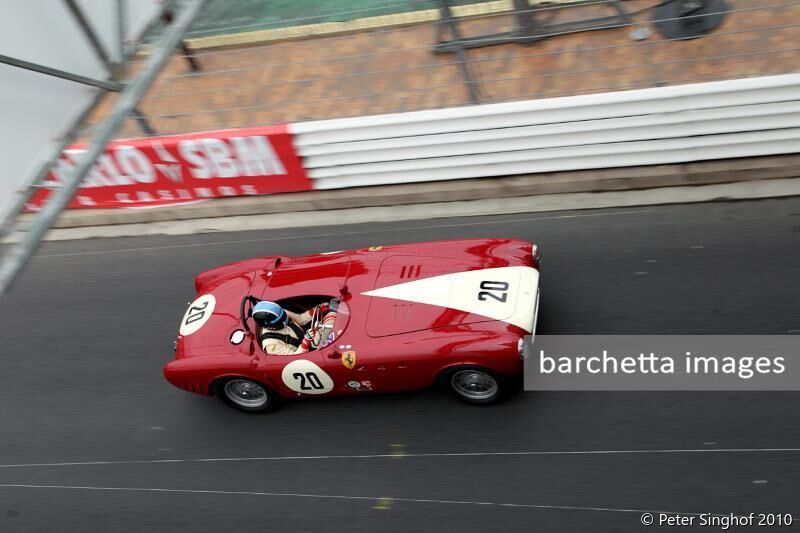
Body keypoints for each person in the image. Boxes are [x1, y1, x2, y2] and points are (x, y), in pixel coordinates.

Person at [252, 300, 336, 355]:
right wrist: (306, 342)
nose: (286, 319)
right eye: (281, 320)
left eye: (284, 315)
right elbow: (296, 358)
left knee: (333, 314)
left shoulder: (281, 313)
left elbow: (300, 319)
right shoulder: (271, 345)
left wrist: (315, 310)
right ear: (270, 326)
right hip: (306, 353)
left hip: (309, 338)